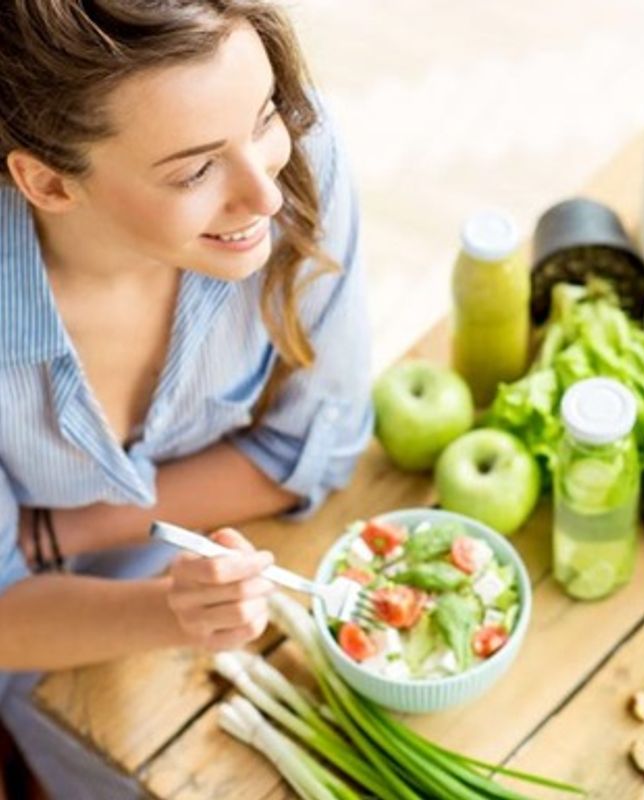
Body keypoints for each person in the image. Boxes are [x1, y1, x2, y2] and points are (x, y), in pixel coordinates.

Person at [0, 1, 373, 796]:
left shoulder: (296, 161)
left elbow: (320, 443)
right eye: (195, 170)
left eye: (264, 112)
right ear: (45, 181)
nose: (265, 197)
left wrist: (67, 529)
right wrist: (172, 611)